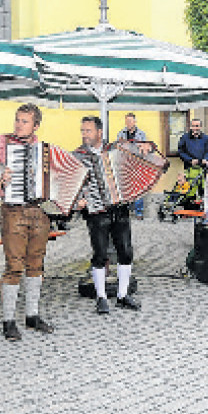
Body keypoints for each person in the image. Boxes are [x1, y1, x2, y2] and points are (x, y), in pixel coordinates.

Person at [0, 103, 56, 341]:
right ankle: (8, 320)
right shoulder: (1, 142)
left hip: (40, 211)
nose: (18, 125)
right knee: (14, 266)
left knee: (36, 265)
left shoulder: (44, 150)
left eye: (24, 121)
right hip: (13, 211)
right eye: (17, 120)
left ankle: (32, 315)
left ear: (36, 125)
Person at [73, 116, 141, 314]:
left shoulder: (116, 151)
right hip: (96, 211)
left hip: (119, 208)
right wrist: (79, 199)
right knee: (100, 254)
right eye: (83, 131)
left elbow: (131, 169)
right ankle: (101, 297)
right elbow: (70, 182)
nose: (84, 134)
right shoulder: (78, 155)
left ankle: (122, 295)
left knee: (126, 252)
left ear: (99, 132)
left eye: (88, 131)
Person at [115, 112, 149, 218]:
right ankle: (126, 209)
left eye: (130, 121)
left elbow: (145, 149)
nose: (128, 123)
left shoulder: (141, 134)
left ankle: (139, 211)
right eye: (127, 121)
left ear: (135, 121)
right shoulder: (121, 134)